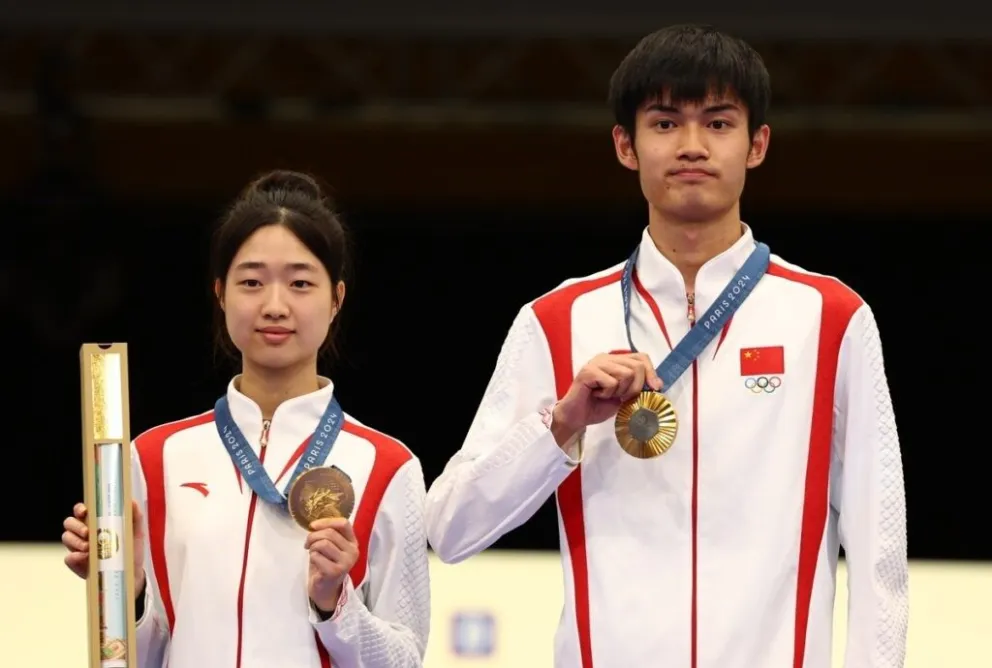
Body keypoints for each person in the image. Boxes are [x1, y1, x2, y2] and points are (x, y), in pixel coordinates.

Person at [424, 24, 908, 668]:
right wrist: (562, 424)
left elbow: (879, 548)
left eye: (717, 123)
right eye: (664, 123)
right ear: (625, 145)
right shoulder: (559, 320)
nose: (690, 146)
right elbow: (449, 529)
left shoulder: (831, 318)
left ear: (756, 143)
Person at [62, 170, 431, 668]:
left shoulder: (388, 467)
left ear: (337, 299)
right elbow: (139, 656)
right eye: (252, 282)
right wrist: (126, 586)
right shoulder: (154, 456)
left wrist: (334, 603)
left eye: (300, 283)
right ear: (220, 292)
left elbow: (406, 659)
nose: (274, 305)